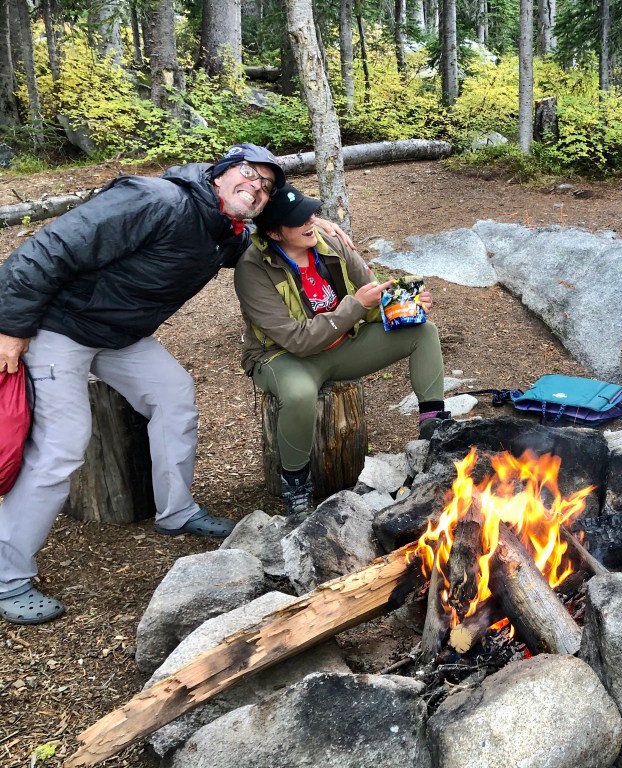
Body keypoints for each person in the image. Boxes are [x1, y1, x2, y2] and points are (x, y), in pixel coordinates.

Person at [0, 144, 303, 625]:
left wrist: (313, 225)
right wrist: (10, 326)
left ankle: (175, 511)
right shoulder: (156, 199)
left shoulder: (221, 230)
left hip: (118, 335)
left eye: (266, 187)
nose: (256, 188)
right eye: (249, 173)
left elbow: (263, 237)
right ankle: (7, 576)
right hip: (59, 327)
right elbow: (49, 248)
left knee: (174, 395)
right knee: (62, 444)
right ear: (219, 172)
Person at [234, 184, 447, 519]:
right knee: (299, 393)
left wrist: (406, 304)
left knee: (423, 332)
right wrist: (355, 306)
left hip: (342, 345)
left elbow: (371, 293)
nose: (310, 221)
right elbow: (297, 340)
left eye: (310, 214)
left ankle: (433, 431)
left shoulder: (329, 244)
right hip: (283, 357)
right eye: (299, 220)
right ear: (274, 232)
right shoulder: (253, 269)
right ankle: (296, 484)